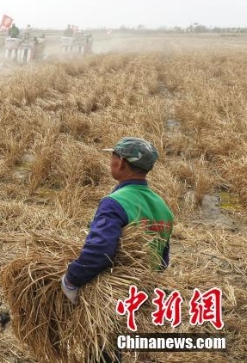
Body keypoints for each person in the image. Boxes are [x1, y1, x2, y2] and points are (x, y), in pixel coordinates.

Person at [62, 137, 174, 361]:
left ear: (121, 162)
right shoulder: (163, 206)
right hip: (140, 292)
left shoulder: (115, 202)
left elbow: (99, 251)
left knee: (102, 350)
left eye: (112, 156)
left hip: (110, 295)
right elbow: (162, 260)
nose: (110, 161)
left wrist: (72, 280)